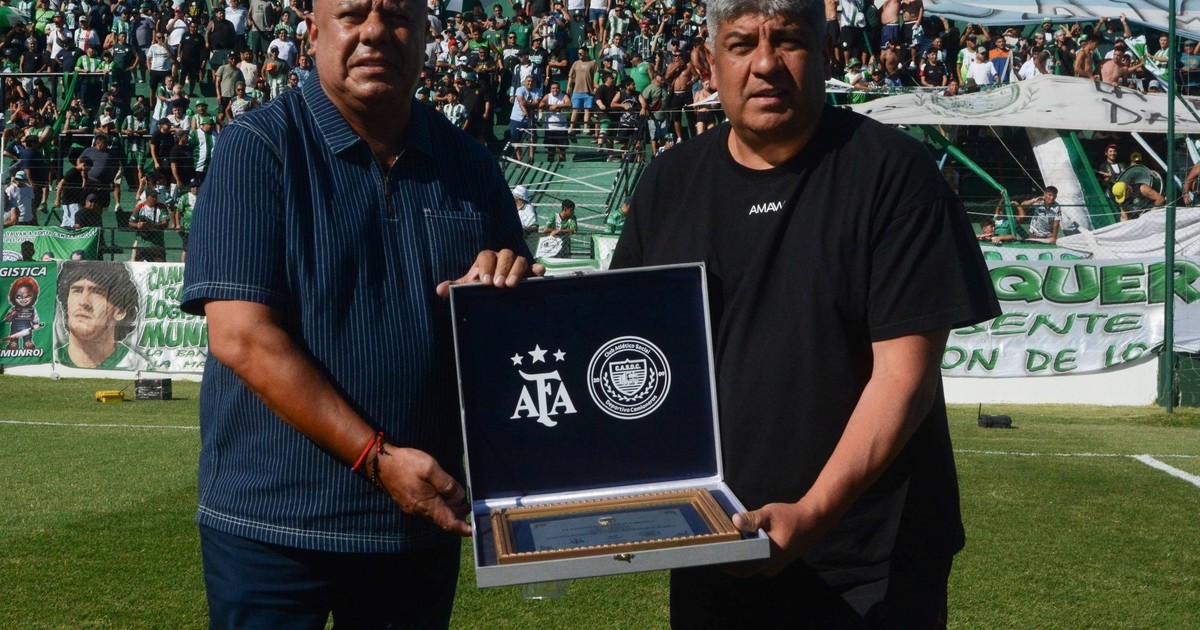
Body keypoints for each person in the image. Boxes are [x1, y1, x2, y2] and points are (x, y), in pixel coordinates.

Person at [610, 0, 999, 625]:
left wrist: (811, 514)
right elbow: (622, 352)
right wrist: (518, 299)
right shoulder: (667, 182)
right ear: (709, 63)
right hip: (715, 544)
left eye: (787, 40)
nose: (765, 63)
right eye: (741, 45)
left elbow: (904, 377)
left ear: (826, 53)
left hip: (871, 564)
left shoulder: (895, 173)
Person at [178, 0, 540, 625]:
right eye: (352, 14)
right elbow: (242, 338)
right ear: (313, 32)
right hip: (273, 528)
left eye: (397, 17)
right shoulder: (257, 148)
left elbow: (517, 335)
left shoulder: (470, 166)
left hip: (418, 524)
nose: (375, 31)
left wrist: (505, 284)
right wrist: (378, 459)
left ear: (424, 37)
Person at [55, 261, 145, 369]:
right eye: (77, 291)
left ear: (120, 310)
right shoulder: (50, 361)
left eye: (97, 292)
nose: (83, 302)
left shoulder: (138, 366)